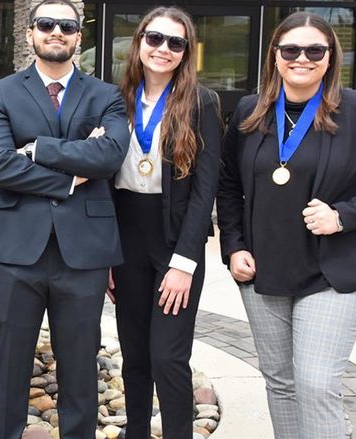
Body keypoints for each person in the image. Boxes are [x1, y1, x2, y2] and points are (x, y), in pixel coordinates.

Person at [0, 0, 130, 437]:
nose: (57, 32)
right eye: (47, 24)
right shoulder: (0, 91)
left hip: (84, 249)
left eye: (67, 26)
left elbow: (110, 155)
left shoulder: (106, 95)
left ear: (80, 35)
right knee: (8, 364)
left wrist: (37, 149)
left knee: (79, 366)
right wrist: (71, 176)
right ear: (31, 33)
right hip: (13, 247)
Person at [218, 11, 356, 439]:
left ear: (330, 57)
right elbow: (227, 185)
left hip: (332, 271)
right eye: (291, 50)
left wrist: (344, 216)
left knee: (316, 383)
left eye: (315, 50)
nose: (302, 58)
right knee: (281, 383)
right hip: (263, 269)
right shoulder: (251, 110)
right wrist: (233, 245)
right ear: (275, 56)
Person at [110, 7, 222, 439]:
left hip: (175, 240)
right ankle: (136, 432)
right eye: (155, 38)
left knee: (168, 357)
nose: (163, 49)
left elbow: (204, 190)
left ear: (186, 52)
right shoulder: (115, 98)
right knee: (135, 355)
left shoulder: (201, 102)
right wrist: (106, 254)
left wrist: (184, 262)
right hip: (126, 239)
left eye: (175, 43)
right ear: (139, 41)